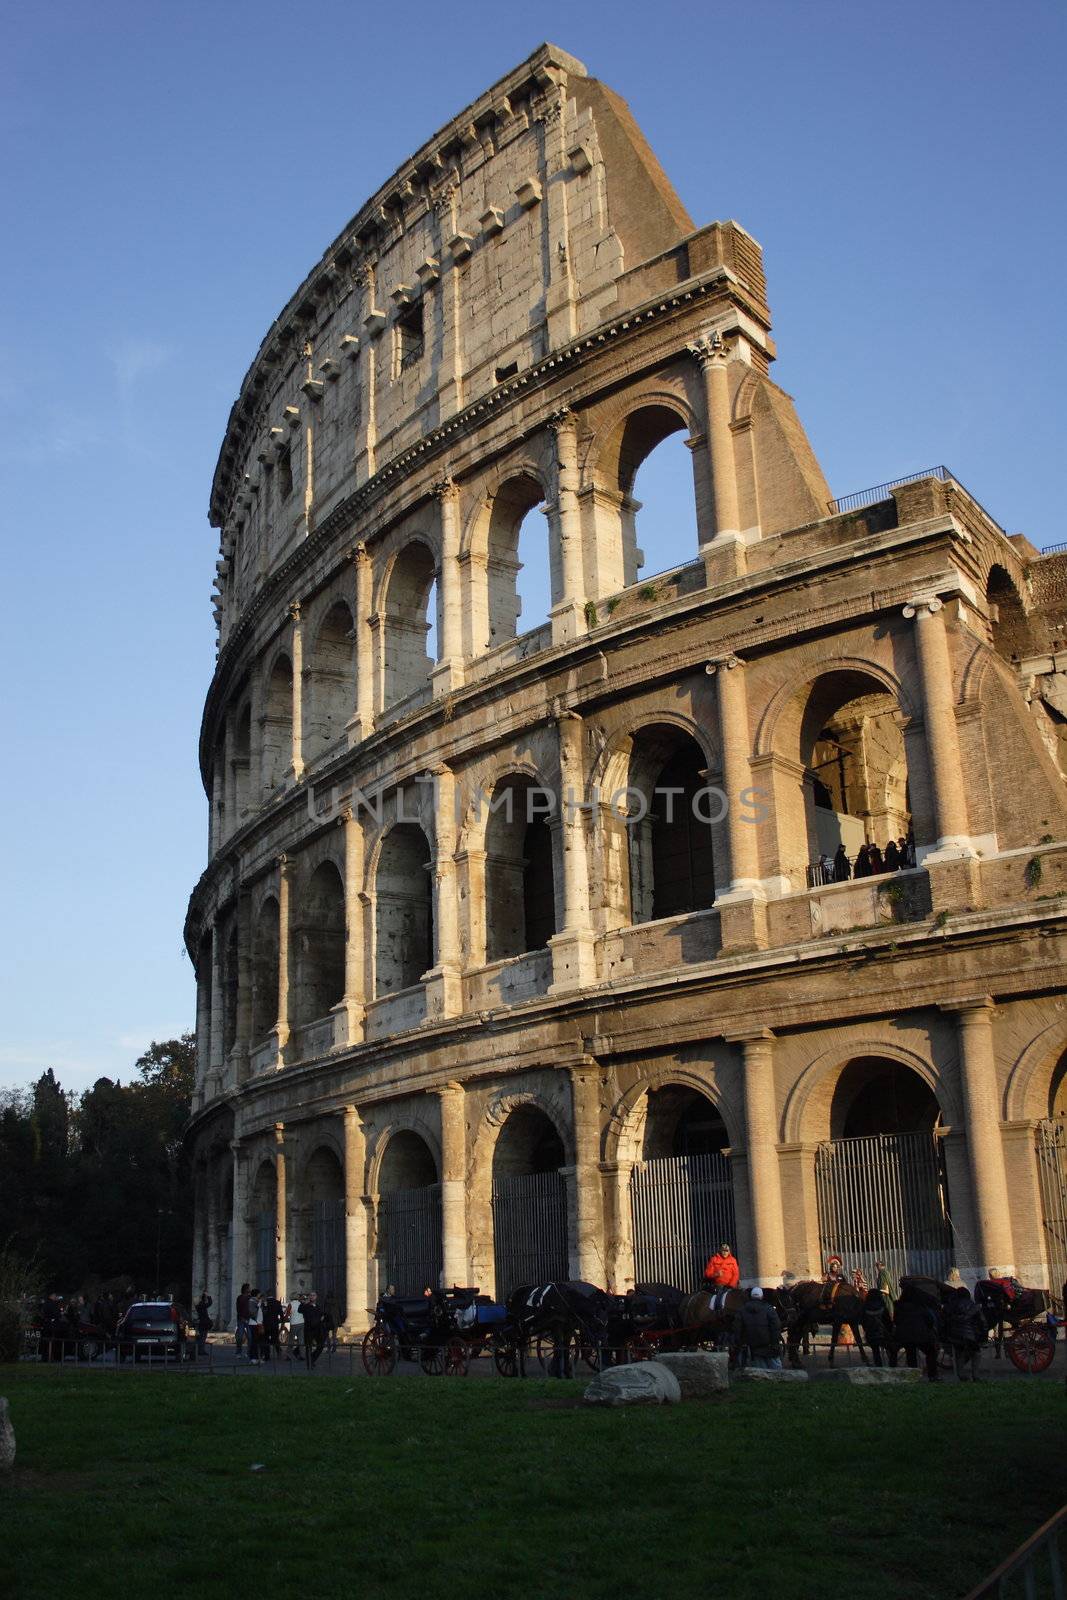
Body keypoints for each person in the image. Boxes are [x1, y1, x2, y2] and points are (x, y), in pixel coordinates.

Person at [732, 1287, 782, 1370]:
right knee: (777, 1370)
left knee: (761, 1371)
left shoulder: (742, 1310)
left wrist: (740, 1342)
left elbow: (737, 1328)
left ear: (751, 1297)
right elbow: (776, 1326)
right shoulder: (769, 1309)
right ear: (762, 1296)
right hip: (769, 1345)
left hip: (753, 1346)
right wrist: (775, 1342)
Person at [943, 1284, 985, 1382]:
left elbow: (944, 1319)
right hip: (970, 1335)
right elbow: (982, 1321)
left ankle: (961, 1374)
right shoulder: (973, 1305)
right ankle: (976, 1375)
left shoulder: (949, 1306)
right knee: (976, 1353)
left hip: (954, 1335)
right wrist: (982, 1334)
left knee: (959, 1353)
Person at [861, 1288, 891, 1366]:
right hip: (883, 1334)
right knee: (890, 1351)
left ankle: (879, 1367)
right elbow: (888, 1322)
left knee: (876, 1353)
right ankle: (892, 1365)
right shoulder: (883, 1307)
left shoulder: (865, 1307)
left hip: (871, 1335)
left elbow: (863, 1322)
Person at [298, 1291, 325, 1366]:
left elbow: (322, 1315)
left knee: (321, 1346)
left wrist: (321, 1318)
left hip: (317, 1329)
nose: (312, 1297)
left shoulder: (318, 1306)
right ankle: (309, 1363)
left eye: (314, 1295)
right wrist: (304, 1303)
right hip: (308, 1329)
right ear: (309, 1297)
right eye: (311, 1295)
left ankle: (312, 1359)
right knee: (308, 1347)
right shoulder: (306, 1306)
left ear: (316, 1297)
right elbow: (299, 1310)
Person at [247, 1290, 264, 1364]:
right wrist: (258, 1305)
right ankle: (253, 1358)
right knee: (254, 1341)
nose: (260, 1295)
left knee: (258, 1341)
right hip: (254, 1323)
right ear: (256, 1294)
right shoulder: (252, 1301)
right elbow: (252, 1312)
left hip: (258, 1323)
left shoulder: (257, 1301)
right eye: (259, 1294)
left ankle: (257, 1357)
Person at [235, 1282, 251, 1359]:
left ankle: (249, 1352)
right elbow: (238, 1309)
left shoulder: (250, 1298)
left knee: (250, 1337)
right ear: (245, 1289)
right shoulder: (240, 1298)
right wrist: (242, 1318)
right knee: (240, 1336)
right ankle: (238, 1352)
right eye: (248, 1288)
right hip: (241, 1319)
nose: (249, 1290)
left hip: (249, 1319)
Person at [194, 1291, 213, 1358]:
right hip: (203, 1323)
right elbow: (210, 1303)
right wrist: (208, 1296)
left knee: (202, 1337)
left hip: (202, 1323)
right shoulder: (201, 1305)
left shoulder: (199, 1305)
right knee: (202, 1337)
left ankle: (201, 1350)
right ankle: (201, 1350)